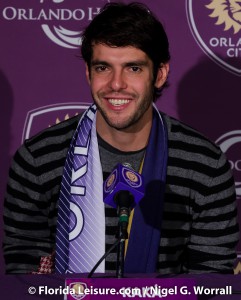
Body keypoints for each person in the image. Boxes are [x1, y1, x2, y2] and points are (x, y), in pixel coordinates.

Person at [3, 2, 239, 275]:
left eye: (133, 68)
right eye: (103, 68)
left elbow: (210, 283)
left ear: (159, 75)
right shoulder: (38, 159)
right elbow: (24, 278)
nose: (116, 83)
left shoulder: (204, 164)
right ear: (88, 73)